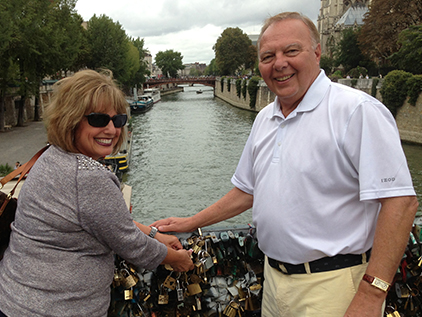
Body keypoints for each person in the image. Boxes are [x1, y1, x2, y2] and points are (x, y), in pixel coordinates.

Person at [151, 12, 419, 317]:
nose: (279, 63)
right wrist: (190, 222)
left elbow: (401, 203)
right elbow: (247, 191)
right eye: (268, 56)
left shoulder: (357, 111)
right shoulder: (266, 118)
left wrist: (372, 294)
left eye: (291, 51)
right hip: (274, 282)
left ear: (317, 52)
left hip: (334, 287)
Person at [0, 69, 194, 317]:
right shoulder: (89, 177)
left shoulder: (50, 156)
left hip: (14, 298)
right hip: (56, 308)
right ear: (71, 119)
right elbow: (131, 245)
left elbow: (103, 220)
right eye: (99, 120)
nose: (112, 130)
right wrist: (177, 259)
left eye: (119, 120)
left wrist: (154, 233)